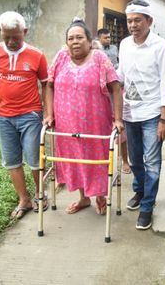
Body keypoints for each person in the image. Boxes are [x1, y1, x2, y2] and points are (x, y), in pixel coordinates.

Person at [43, 20, 123, 216]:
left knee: (95, 159)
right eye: (71, 38)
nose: (75, 42)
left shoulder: (99, 58)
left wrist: (118, 119)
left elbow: (115, 87)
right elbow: (49, 85)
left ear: (89, 40)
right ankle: (83, 198)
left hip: (96, 123)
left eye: (79, 37)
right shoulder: (61, 57)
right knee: (75, 160)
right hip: (66, 124)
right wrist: (49, 114)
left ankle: (100, 196)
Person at [0, 11, 49, 219]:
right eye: (6, 36)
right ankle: (24, 199)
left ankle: (40, 194)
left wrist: (47, 112)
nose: (11, 41)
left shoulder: (37, 55)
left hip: (31, 116)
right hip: (4, 118)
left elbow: (46, 85)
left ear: (24, 32)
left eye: (15, 37)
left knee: (35, 159)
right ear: (0, 32)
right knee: (12, 161)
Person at [118, 0, 165, 230]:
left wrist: (164, 119)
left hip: (152, 114)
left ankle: (147, 206)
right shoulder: (124, 44)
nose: (133, 25)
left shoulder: (161, 47)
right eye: (129, 21)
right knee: (134, 159)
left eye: (137, 20)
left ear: (149, 21)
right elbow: (121, 74)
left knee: (152, 162)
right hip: (129, 112)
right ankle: (140, 192)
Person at [97, 28, 131, 173]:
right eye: (105, 38)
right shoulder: (96, 52)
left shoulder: (115, 48)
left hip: (116, 91)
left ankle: (124, 161)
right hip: (102, 95)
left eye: (109, 37)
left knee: (121, 130)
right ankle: (103, 163)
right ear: (99, 38)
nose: (108, 40)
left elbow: (119, 66)